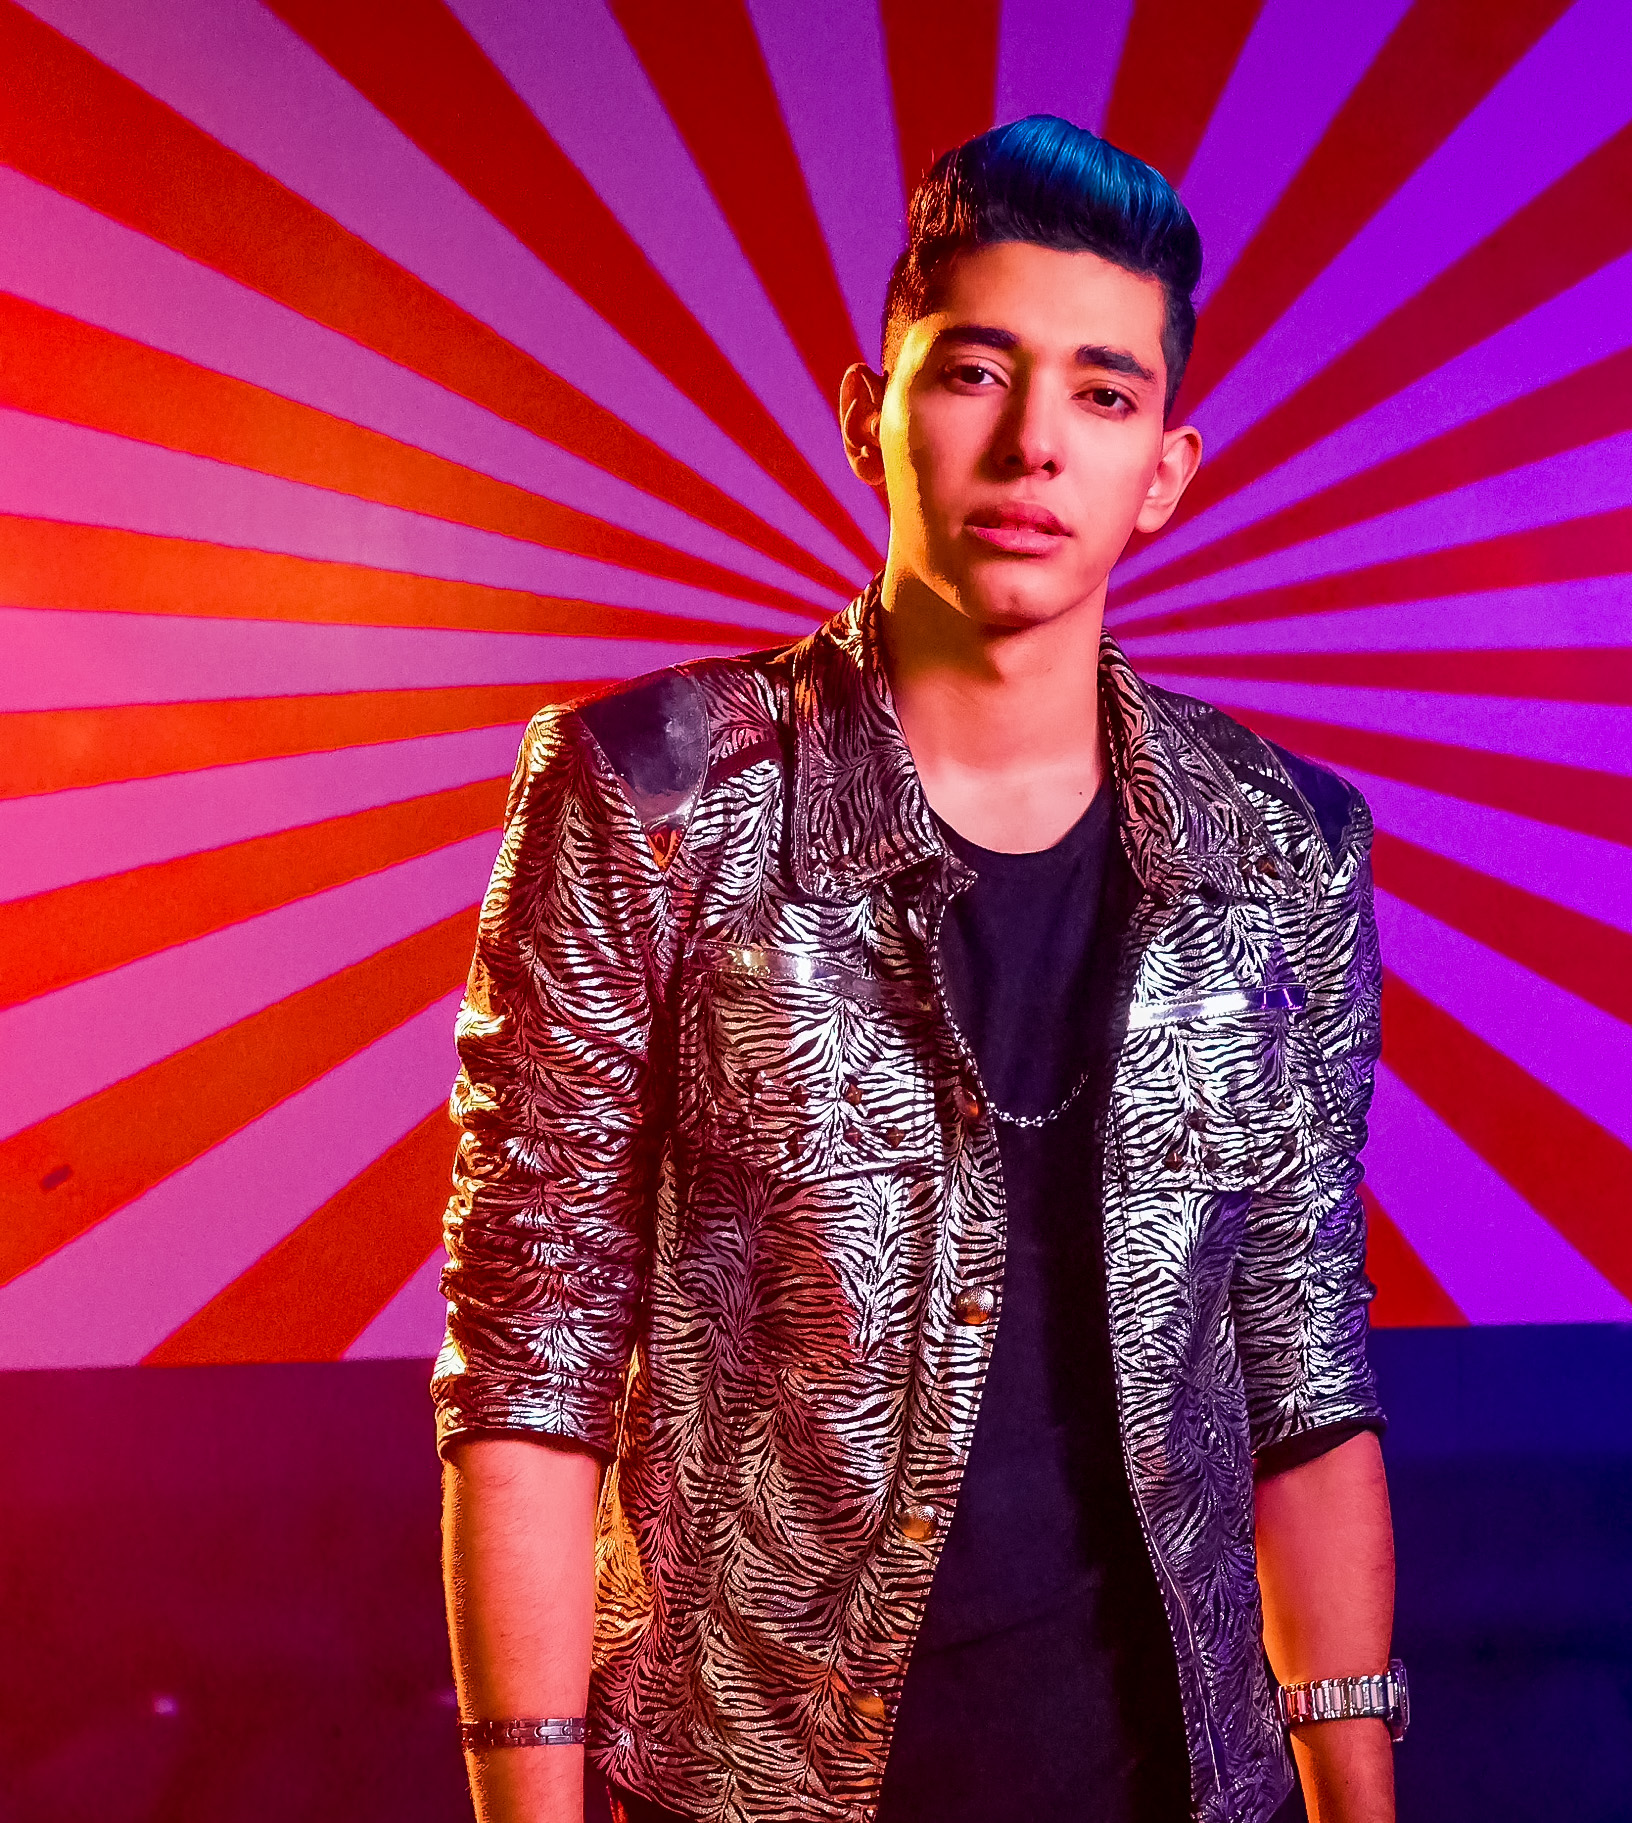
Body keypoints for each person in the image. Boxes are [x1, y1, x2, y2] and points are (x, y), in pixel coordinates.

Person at [434, 116, 1400, 1823]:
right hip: (747, 1785)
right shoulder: (650, 795)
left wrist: (1355, 1797)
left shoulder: (1282, 850)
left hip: (1172, 1786)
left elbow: (1303, 1378)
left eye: (1102, 393)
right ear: (865, 411)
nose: (1033, 443)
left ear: (1163, 469)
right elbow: (531, 1361)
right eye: (974, 372)